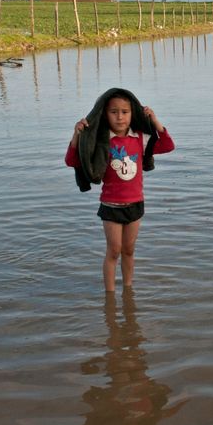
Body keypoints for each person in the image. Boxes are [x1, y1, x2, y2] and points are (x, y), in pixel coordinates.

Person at [65, 88, 175, 292]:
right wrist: (76, 135)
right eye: (113, 112)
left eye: (125, 112)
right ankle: (110, 294)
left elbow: (167, 145)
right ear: (104, 114)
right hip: (111, 205)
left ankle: (128, 291)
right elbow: (72, 160)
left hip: (135, 203)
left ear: (133, 113)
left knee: (129, 250)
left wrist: (155, 121)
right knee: (114, 251)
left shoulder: (139, 138)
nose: (120, 117)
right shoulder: (100, 141)